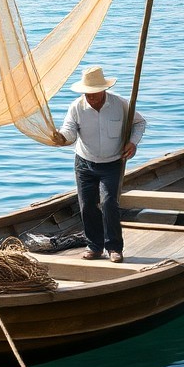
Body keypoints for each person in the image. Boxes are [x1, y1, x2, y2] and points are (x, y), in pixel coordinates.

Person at [51, 65, 146, 263]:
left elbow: (139, 123)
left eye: (94, 93)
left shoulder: (120, 103)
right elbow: (69, 131)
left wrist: (133, 143)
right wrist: (61, 138)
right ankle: (94, 246)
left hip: (112, 163)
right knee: (87, 205)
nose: (90, 97)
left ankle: (114, 248)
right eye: (87, 93)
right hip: (84, 163)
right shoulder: (76, 107)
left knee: (109, 202)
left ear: (104, 89)